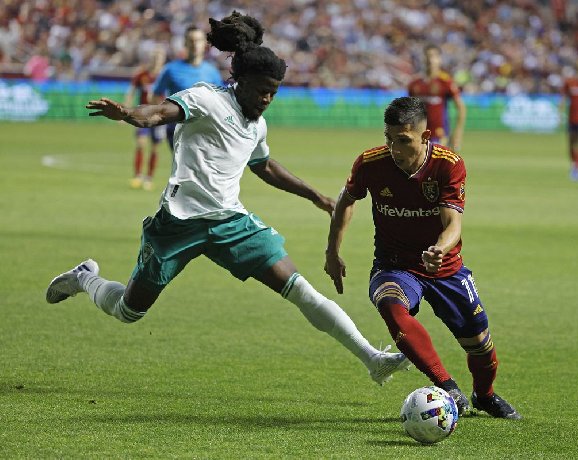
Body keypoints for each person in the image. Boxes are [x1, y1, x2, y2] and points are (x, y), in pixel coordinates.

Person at [46, 12, 409, 386]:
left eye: (274, 92)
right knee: (128, 311)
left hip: (230, 223)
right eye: (261, 90)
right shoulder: (206, 99)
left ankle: (373, 359)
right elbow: (158, 112)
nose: (267, 98)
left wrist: (314, 194)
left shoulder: (257, 124)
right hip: (178, 223)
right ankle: (85, 278)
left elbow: (264, 166)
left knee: (300, 289)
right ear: (240, 80)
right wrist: (128, 115)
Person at [324, 96, 521, 419]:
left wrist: (439, 249)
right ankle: (448, 386)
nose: (394, 149)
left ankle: (484, 395)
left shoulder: (448, 164)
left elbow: (453, 222)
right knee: (390, 303)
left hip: (445, 268)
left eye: (403, 141)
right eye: (389, 139)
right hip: (395, 266)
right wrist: (332, 251)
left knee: (481, 347)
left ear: (425, 136)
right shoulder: (371, 164)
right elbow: (347, 200)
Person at [152, 26, 224, 152]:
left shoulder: (212, 72)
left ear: (204, 44)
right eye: (191, 40)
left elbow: (221, 101)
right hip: (177, 128)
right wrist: (162, 119)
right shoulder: (170, 69)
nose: (194, 44)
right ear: (185, 43)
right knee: (185, 166)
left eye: (198, 40)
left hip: (205, 129)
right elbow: (156, 95)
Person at [408, 44, 466, 152]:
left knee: (436, 166)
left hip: (439, 135)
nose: (430, 59)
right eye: (427, 56)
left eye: (434, 56)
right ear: (423, 59)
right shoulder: (414, 84)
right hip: (418, 135)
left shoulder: (445, 82)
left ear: (439, 59)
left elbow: (461, 108)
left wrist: (457, 134)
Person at [124, 46, 167, 190]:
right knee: (141, 143)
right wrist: (125, 110)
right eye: (154, 57)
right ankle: (137, 176)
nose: (156, 61)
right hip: (142, 115)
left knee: (155, 147)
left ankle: (149, 178)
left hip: (159, 116)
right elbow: (131, 92)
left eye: (159, 58)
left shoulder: (165, 76)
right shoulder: (142, 74)